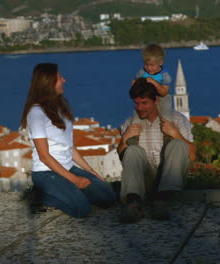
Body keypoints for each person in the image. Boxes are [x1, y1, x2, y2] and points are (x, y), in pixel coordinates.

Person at [20, 63, 116, 218]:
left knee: (108, 198)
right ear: (49, 83)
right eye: (60, 78)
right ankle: (41, 196)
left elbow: (70, 147)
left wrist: (90, 171)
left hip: (68, 167)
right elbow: (44, 156)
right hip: (46, 173)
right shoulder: (36, 113)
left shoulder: (60, 108)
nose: (64, 80)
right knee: (81, 209)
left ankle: (69, 193)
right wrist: (74, 180)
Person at [118, 78, 196, 223]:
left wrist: (175, 134)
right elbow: (124, 159)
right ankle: (133, 204)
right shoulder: (130, 123)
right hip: (144, 180)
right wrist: (124, 140)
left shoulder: (177, 119)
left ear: (156, 100)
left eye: (144, 103)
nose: (140, 108)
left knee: (178, 144)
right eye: (136, 103)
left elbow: (192, 155)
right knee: (132, 150)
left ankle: (162, 201)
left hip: (170, 178)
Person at [129, 43, 173, 144]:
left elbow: (164, 92)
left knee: (166, 114)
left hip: (162, 97)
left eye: (152, 65)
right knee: (137, 113)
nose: (149, 68)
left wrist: (154, 82)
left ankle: (167, 135)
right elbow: (135, 82)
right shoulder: (142, 72)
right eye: (146, 64)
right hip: (146, 96)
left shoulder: (164, 75)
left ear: (160, 63)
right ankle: (134, 136)